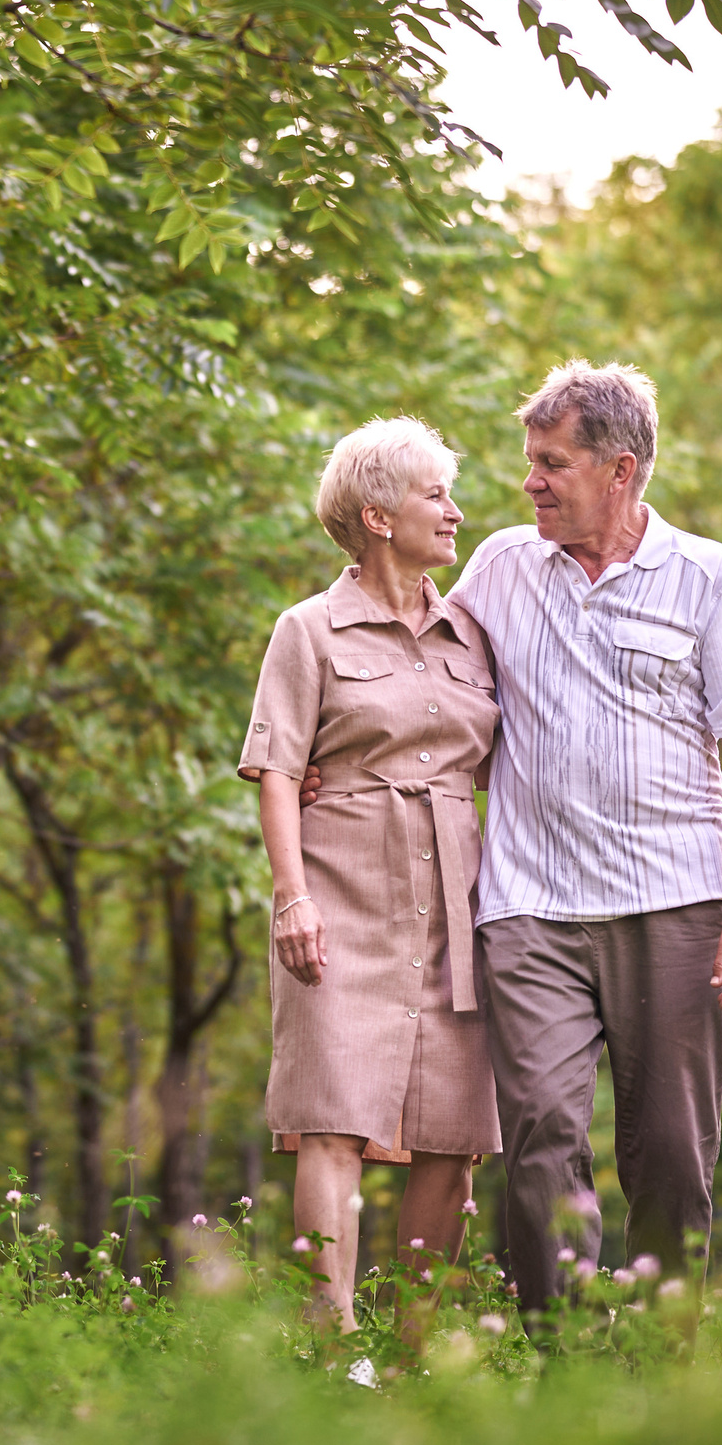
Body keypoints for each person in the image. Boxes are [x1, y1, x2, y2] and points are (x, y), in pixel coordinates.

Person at [446, 359, 722, 1318]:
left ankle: (666, 1363)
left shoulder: (707, 576)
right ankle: (564, 1365)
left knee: (672, 1157)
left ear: (621, 470)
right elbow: (417, 675)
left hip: (678, 906)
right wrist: (327, 752)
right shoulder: (500, 567)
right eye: (531, 459)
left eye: (552, 462)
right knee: (542, 1135)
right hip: (531, 909)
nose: (530, 483)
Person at [238, 416, 501, 1345]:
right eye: (438, 495)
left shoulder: (471, 629)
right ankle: (330, 1340)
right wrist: (291, 895)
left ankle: (410, 1351)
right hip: (342, 887)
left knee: (453, 1133)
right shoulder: (307, 630)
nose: (456, 513)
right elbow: (276, 768)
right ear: (379, 514)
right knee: (332, 1118)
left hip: (459, 903)